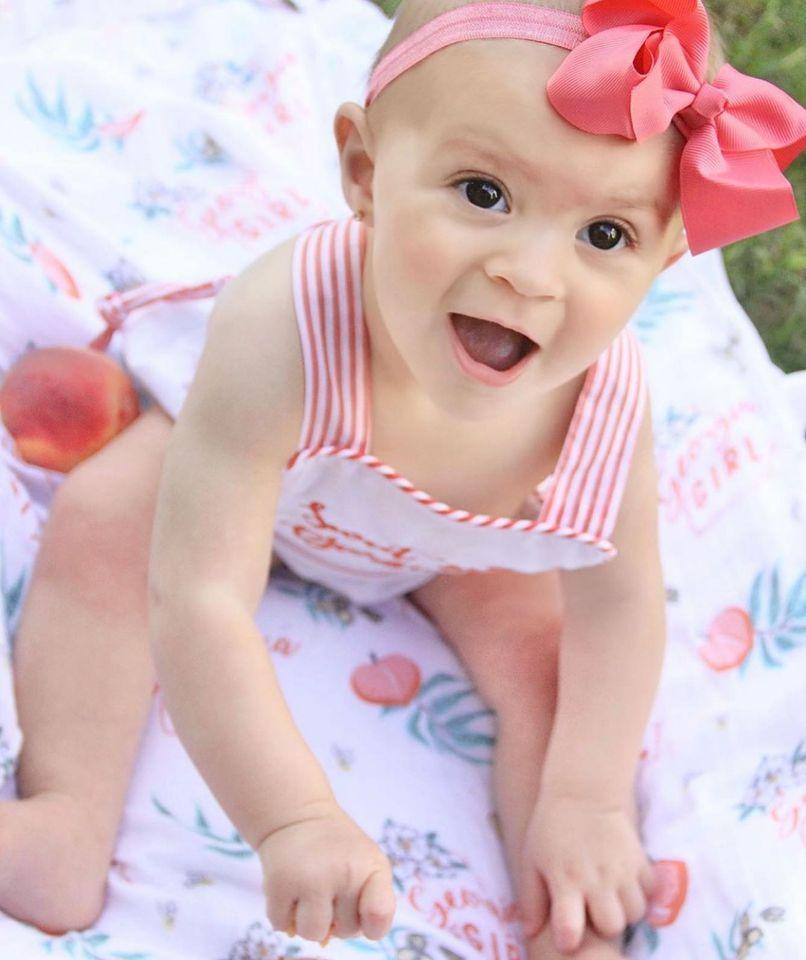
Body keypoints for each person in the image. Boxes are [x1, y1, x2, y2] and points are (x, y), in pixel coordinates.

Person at [1, 0, 803, 957]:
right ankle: (68, 817)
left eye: (603, 235)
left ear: (665, 257)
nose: (531, 276)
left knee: (545, 665)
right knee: (109, 520)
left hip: (443, 541)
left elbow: (617, 612)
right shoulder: (284, 324)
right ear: (366, 171)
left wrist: (586, 791)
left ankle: (566, 911)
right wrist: (294, 817)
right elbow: (203, 597)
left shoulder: (601, 404)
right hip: (258, 478)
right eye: (483, 193)